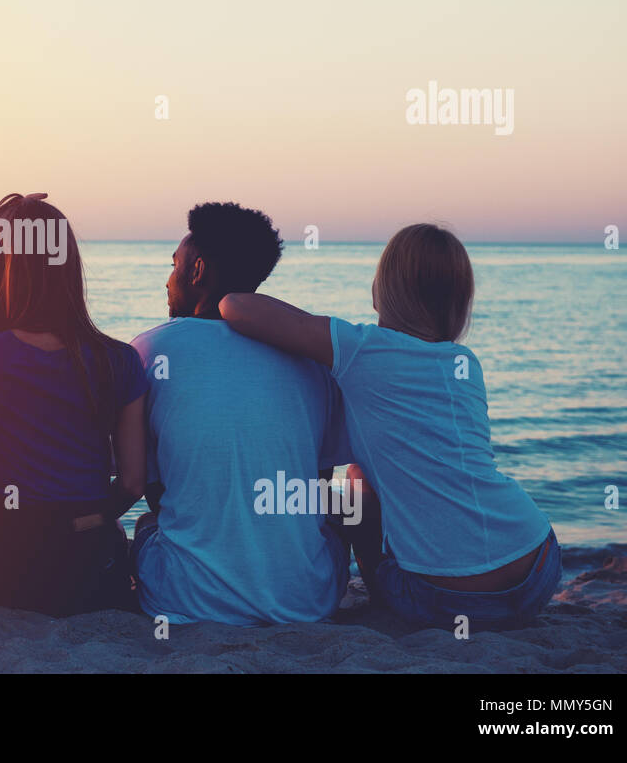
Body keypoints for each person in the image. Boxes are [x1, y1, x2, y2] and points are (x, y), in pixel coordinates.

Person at [219, 223, 559, 631]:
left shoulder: (361, 349)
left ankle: (368, 593)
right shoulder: (464, 363)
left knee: (344, 495)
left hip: (446, 598)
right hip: (536, 564)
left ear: (382, 289)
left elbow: (236, 306)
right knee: (368, 472)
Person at [131, 202, 354, 626]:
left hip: (185, 601)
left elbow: (153, 491)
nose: (167, 280)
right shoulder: (312, 359)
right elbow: (318, 491)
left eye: (174, 265)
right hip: (306, 601)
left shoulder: (149, 351)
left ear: (196, 272)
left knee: (144, 525)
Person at [0, 193, 146, 617]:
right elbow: (132, 484)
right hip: (86, 571)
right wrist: (86, 518)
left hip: (4, 570)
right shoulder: (120, 360)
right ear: (68, 271)